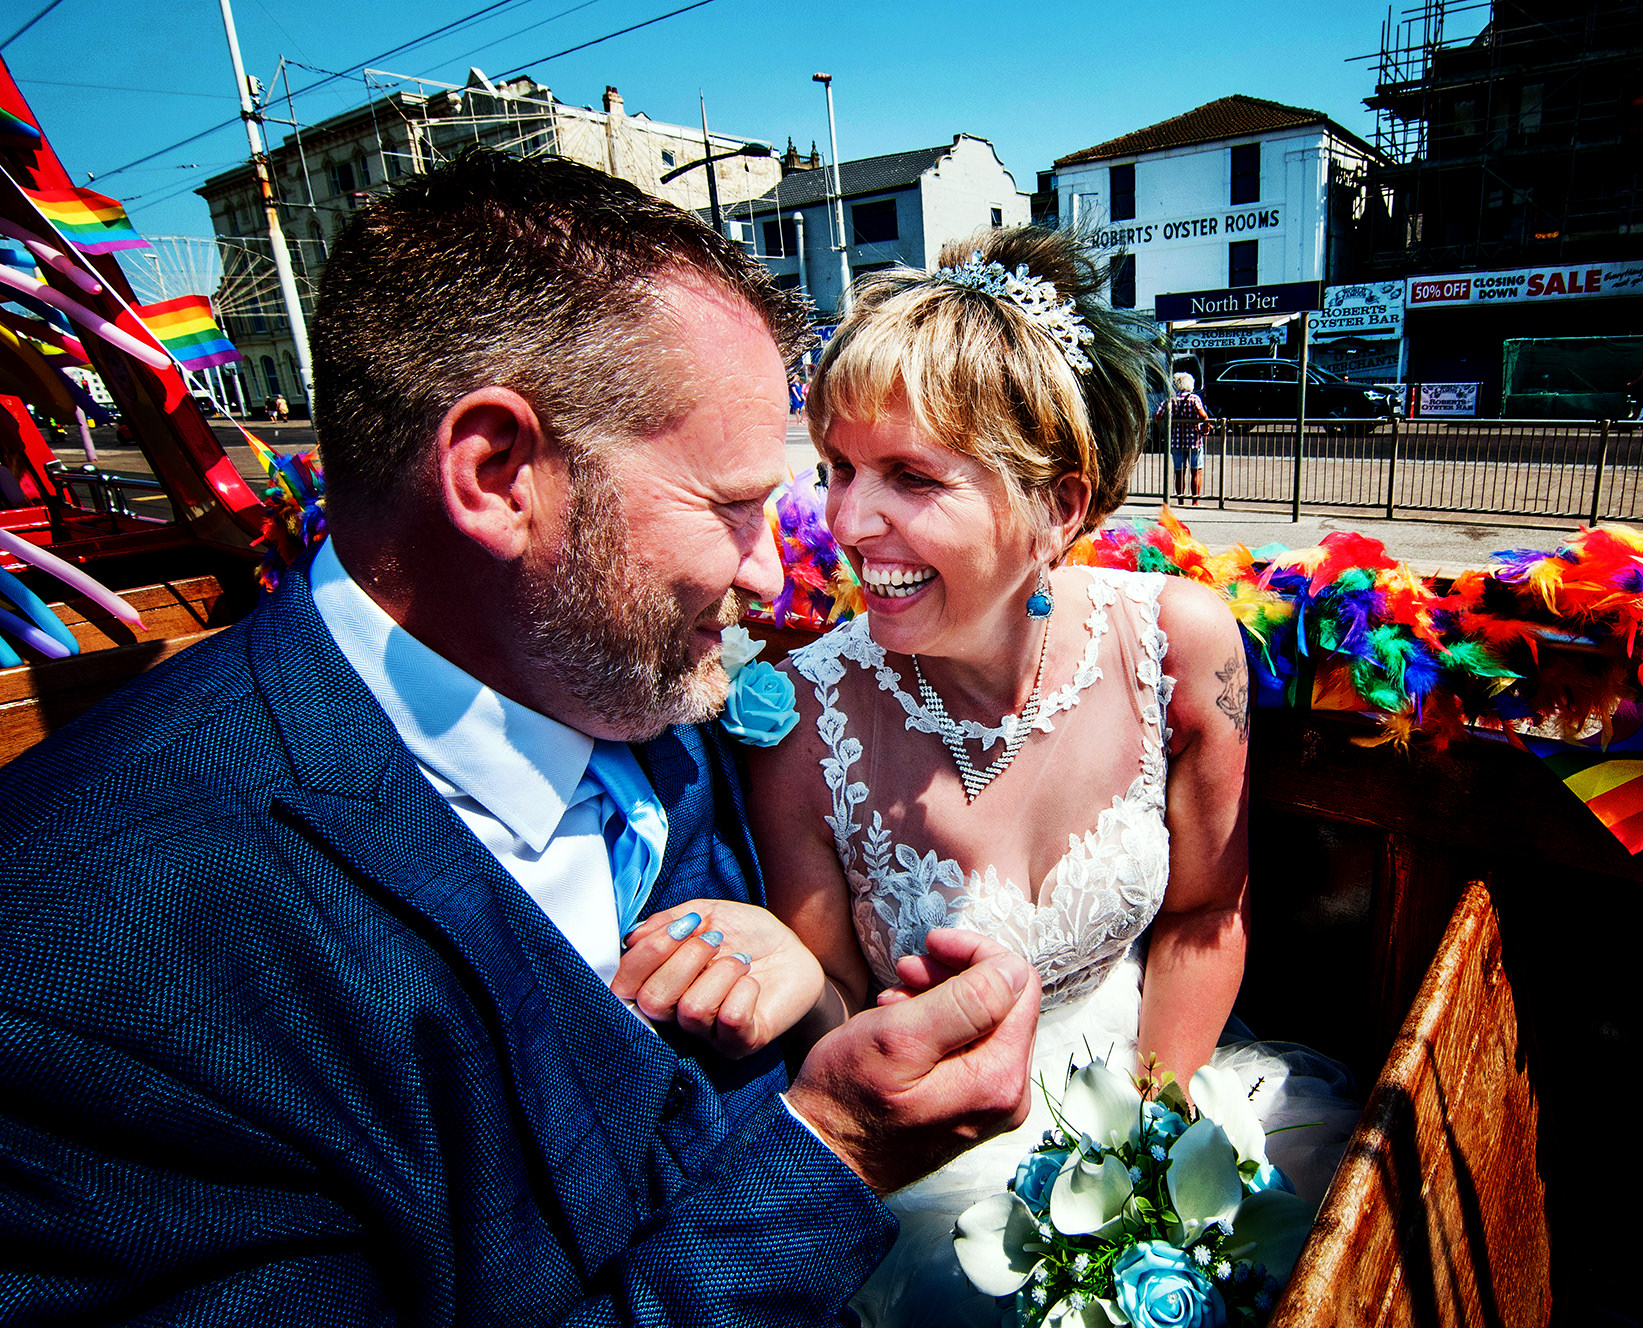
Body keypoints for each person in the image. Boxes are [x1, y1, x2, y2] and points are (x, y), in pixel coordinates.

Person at [0, 150, 1042, 1325]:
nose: (772, 569)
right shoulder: (76, 974)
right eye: (734, 505)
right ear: (498, 474)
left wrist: (801, 983)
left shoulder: (621, 674)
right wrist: (837, 1152)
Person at [640, 229, 1356, 1326]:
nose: (844, 521)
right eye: (834, 469)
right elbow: (836, 998)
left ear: (1059, 506)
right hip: (937, 1168)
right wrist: (802, 985)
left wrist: (1146, 1153)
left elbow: (1208, 918)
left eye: (910, 477)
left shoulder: (1180, 644)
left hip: (1162, 1080)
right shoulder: (794, 719)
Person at [1152, 370, 1212, 503]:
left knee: (1179, 473)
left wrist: (1167, 426)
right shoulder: (1194, 398)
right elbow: (1203, 415)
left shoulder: (1171, 400)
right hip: (1194, 441)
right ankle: (1195, 501)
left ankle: (1180, 500)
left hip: (1177, 442)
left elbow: (1157, 415)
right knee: (1196, 472)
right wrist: (1205, 425)